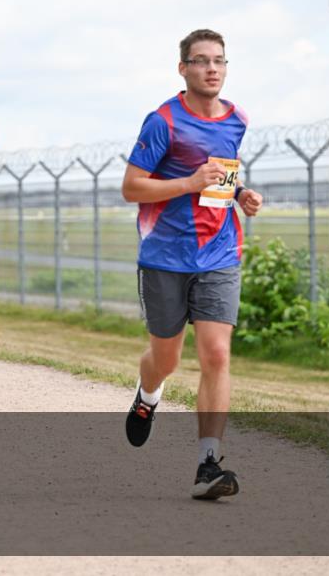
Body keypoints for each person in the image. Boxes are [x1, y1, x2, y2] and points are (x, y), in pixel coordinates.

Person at [121, 29, 264, 500]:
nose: (212, 68)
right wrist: (188, 183)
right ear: (183, 68)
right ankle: (148, 395)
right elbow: (132, 187)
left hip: (219, 252)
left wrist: (240, 193)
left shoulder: (237, 119)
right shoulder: (163, 121)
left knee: (217, 354)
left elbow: (220, 175)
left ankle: (209, 463)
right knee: (165, 359)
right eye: (201, 60)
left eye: (219, 60)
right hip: (164, 255)